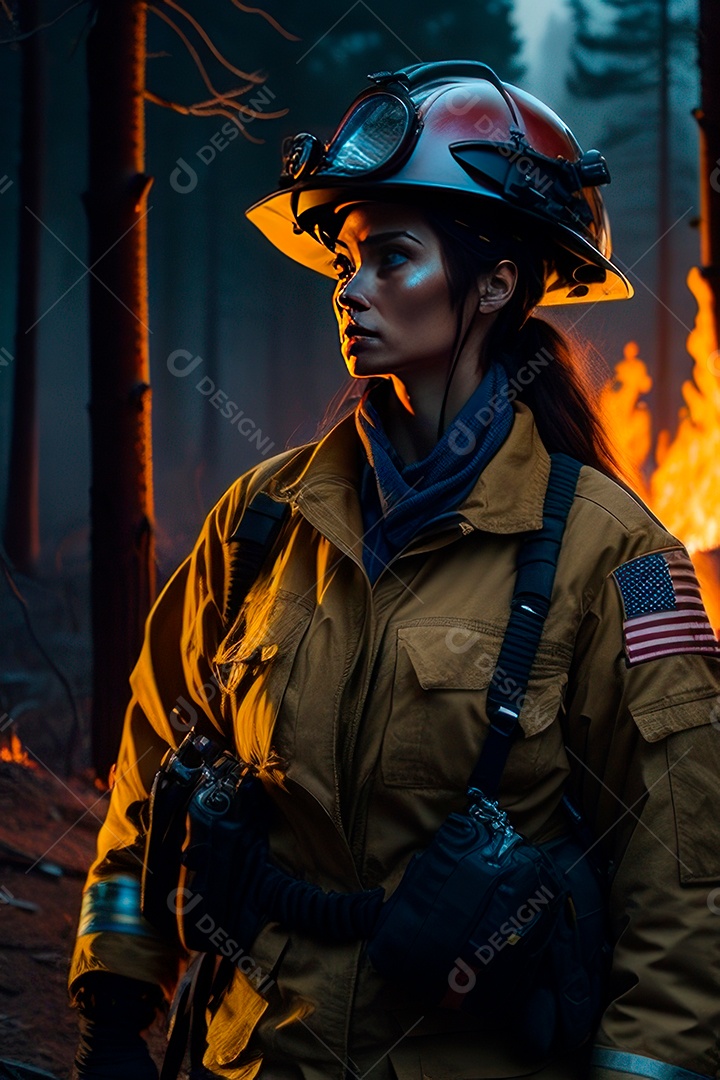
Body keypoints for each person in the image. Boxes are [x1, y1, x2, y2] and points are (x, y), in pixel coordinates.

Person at [69, 61, 720, 1080]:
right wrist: (113, 1010)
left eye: (392, 260)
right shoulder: (260, 523)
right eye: (345, 261)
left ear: (497, 284)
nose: (351, 290)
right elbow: (153, 760)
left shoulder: (619, 556)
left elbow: (684, 870)